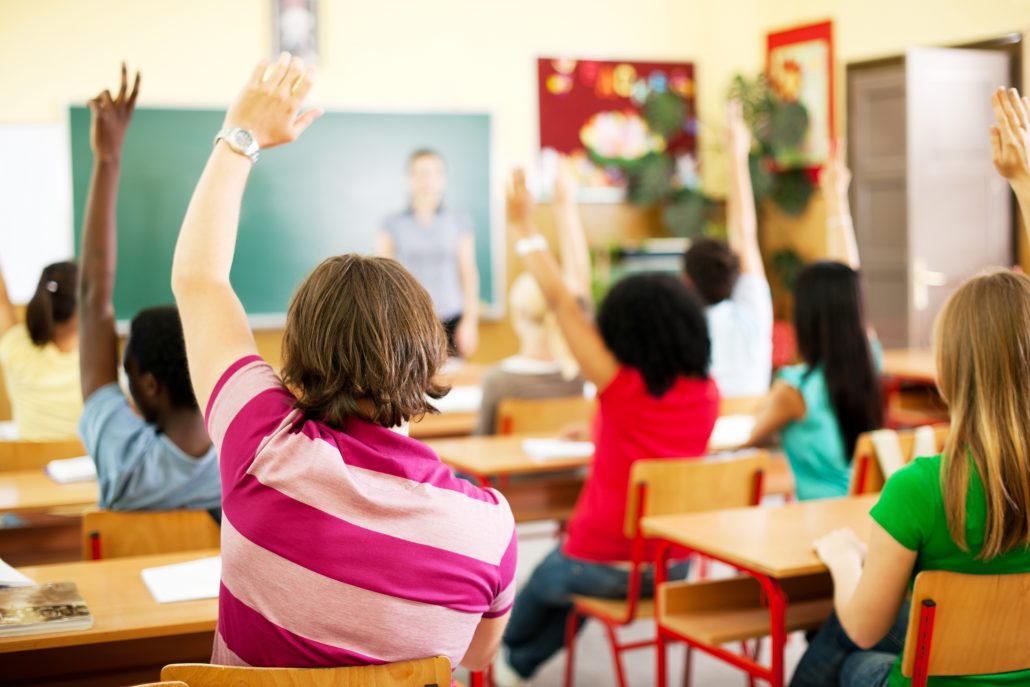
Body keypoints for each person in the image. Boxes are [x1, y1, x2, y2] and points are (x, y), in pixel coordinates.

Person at [171, 53, 515, 672]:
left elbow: (199, 280)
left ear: (295, 360)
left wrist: (240, 138)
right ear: (431, 355)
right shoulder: (488, 529)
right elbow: (477, 655)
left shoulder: (262, 445)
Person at [788, 84, 1030, 687]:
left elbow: (864, 626)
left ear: (946, 376)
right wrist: (1025, 182)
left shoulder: (921, 489)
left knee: (846, 654)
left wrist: (846, 560)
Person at [494, 169, 718, 685]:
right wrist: (597, 431)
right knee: (571, 602)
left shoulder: (620, 385)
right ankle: (515, 667)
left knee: (530, 596)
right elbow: (658, 441)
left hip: (598, 558)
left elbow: (563, 304)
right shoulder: (707, 394)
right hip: (674, 564)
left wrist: (525, 226)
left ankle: (501, 664)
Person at [78, 64, 220, 512]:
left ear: (151, 385)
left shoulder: (123, 460)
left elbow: (93, 299)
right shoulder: (246, 459)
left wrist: (108, 159)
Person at [745, 142, 881, 500]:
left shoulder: (795, 389)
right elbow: (849, 282)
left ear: (804, 318)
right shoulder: (869, 360)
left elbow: (747, 437)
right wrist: (836, 199)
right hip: (867, 519)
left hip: (818, 527)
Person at [475, 162, 590, 435]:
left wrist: (521, 224)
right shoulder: (579, 374)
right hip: (572, 477)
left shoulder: (499, 381)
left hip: (511, 480)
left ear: (517, 314)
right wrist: (565, 208)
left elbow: (482, 444)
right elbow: (577, 291)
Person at [682, 101, 773, 398]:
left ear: (688, 283)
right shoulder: (753, 315)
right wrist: (737, 158)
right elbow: (744, 235)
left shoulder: (683, 333)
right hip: (755, 439)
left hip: (702, 442)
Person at [377, 148, 481, 358]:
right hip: (408, 320)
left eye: (436, 173)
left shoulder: (458, 220)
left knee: (452, 384)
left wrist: (470, 321)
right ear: (409, 178)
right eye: (422, 173)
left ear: (444, 179)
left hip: (451, 319)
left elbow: (468, 272)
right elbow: (383, 276)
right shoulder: (392, 222)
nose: (429, 180)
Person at [0, 260, 82, 440]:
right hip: (83, 465)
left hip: (30, 466)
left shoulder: (16, 352)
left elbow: (1, 301)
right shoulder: (97, 367)